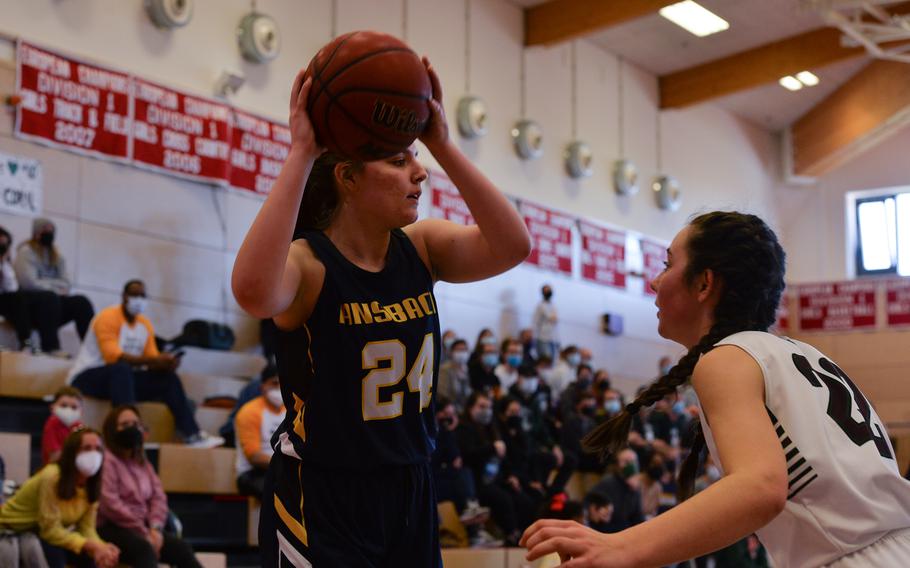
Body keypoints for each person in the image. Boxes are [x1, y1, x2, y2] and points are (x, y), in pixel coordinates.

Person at [231, 59, 531, 567]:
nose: (419, 173)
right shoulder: (309, 263)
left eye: (415, 159)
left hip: (410, 483)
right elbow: (253, 292)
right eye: (398, 162)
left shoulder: (422, 246)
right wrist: (302, 151)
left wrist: (442, 144)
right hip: (325, 491)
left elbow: (513, 245)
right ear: (347, 177)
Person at [522, 211, 910, 567]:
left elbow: (760, 487)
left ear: (705, 283)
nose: (656, 280)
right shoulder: (802, 353)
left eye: (668, 264)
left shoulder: (727, 358)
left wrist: (619, 546)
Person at [67, 279, 222, 448]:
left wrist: (166, 364)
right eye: (134, 295)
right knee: (121, 369)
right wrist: (155, 360)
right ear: (124, 297)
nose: (138, 299)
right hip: (87, 377)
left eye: (142, 295)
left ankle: (192, 435)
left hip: (121, 381)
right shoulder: (107, 317)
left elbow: (151, 360)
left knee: (167, 379)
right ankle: (126, 432)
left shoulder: (144, 324)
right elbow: (114, 358)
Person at [98, 405, 201, 568]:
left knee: (182, 548)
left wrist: (155, 528)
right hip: (113, 527)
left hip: (147, 528)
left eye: (136, 424)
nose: (131, 429)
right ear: (112, 430)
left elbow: (158, 497)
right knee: (144, 549)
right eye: (125, 425)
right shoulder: (106, 461)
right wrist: (143, 531)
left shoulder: (142, 461)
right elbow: (110, 504)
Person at [0, 428, 119, 568]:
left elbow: (86, 528)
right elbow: (50, 531)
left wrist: (102, 548)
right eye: (87, 448)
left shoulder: (92, 483)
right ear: (72, 452)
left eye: (98, 449)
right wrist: (89, 545)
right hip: (13, 529)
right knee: (56, 554)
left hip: (40, 531)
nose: (93, 454)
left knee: (89, 559)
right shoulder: (52, 476)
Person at [14, 218, 94, 350]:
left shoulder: (57, 255)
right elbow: (28, 283)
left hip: (53, 305)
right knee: (49, 298)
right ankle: (51, 348)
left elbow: (67, 283)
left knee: (81, 302)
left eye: (51, 230)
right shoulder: (25, 252)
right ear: (36, 232)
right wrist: (55, 287)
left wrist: (48, 285)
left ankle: (92, 351)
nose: (49, 233)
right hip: (30, 306)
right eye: (45, 230)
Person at [234, 370, 286, 498]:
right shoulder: (249, 411)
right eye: (274, 383)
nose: (279, 388)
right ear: (262, 386)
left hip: (283, 470)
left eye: (282, 384)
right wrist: (286, 465)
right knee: (285, 491)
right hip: (252, 473)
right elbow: (254, 457)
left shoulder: (289, 411)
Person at [42, 386, 85, 465]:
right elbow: (54, 456)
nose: (68, 410)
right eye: (64, 406)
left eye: (74, 407)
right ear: (52, 408)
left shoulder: (79, 426)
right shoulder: (52, 424)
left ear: (81, 412)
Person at [437, 338, 472, 412]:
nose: (461, 353)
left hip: (466, 409)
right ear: (451, 352)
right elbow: (443, 395)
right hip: (449, 409)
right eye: (458, 350)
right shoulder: (444, 369)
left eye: (464, 350)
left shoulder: (467, 369)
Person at [533, 284, 558, 361]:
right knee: (545, 360)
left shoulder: (553, 305)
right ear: (543, 292)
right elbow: (536, 322)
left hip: (553, 338)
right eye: (546, 290)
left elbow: (554, 320)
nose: (548, 292)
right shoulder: (540, 305)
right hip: (542, 338)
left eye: (549, 290)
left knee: (553, 361)